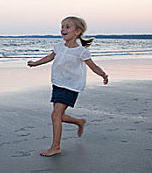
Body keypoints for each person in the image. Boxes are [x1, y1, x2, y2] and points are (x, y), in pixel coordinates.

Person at [27, 16, 108, 157]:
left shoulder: (81, 51)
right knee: (59, 116)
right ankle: (79, 121)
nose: (63, 29)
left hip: (71, 86)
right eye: (62, 26)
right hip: (58, 84)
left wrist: (103, 75)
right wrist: (35, 63)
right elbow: (49, 57)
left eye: (67, 27)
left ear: (77, 31)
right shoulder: (59, 46)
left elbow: (93, 66)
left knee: (55, 115)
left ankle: (56, 147)